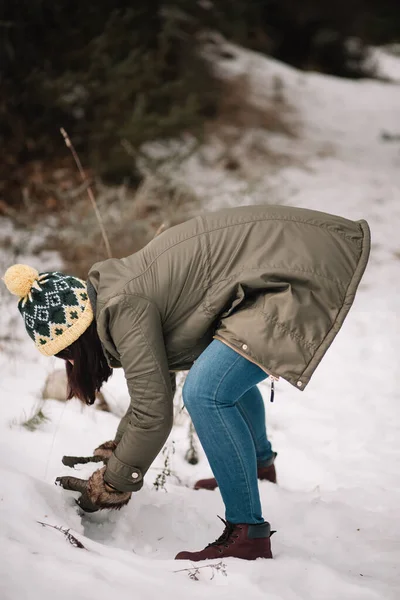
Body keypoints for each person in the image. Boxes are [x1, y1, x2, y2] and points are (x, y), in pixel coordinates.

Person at [3, 204, 370, 561]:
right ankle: (256, 468)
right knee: (217, 373)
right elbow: (153, 389)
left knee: (206, 392)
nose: (69, 364)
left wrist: (110, 484)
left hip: (293, 274)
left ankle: (247, 533)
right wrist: (118, 451)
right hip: (288, 258)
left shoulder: (124, 307)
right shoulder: (112, 294)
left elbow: (154, 412)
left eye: (66, 354)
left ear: (77, 336)